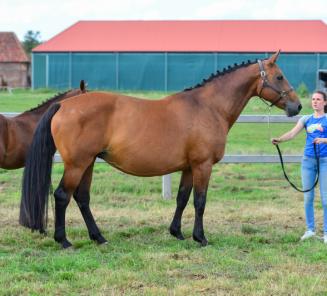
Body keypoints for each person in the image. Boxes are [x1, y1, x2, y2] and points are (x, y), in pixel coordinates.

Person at [271, 90, 327, 243]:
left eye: (318, 99)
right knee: (308, 197)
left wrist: (324, 140)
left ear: (325, 102)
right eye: (313, 99)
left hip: (325, 161)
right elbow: (292, 133)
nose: (315, 102)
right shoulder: (306, 119)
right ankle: (310, 230)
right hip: (308, 161)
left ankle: (326, 232)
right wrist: (279, 139)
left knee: (325, 199)